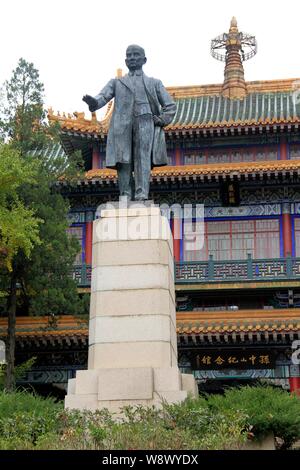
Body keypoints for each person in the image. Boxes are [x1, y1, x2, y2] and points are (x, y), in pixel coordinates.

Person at [83, 44, 176, 201]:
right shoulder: (116, 82)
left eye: (135, 55)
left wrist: (161, 120)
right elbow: (103, 96)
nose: (132, 58)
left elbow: (170, 106)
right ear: (125, 60)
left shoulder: (154, 83)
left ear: (144, 59)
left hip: (145, 121)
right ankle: (125, 194)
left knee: (142, 158)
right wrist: (94, 102)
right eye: (129, 55)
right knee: (123, 159)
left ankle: (141, 193)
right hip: (122, 124)